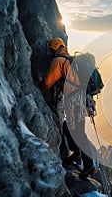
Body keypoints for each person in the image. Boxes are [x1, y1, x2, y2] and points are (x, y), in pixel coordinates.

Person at [39, 38, 97, 178]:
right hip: (82, 99)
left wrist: (37, 88)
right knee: (68, 127)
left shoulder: (59, 61)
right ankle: (77, 156)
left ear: (57, 48)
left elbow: (48, 82)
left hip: (75, 100)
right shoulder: (70, 60)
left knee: (78, 132)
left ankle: (89, 166)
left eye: (52, 49)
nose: (51, 52)